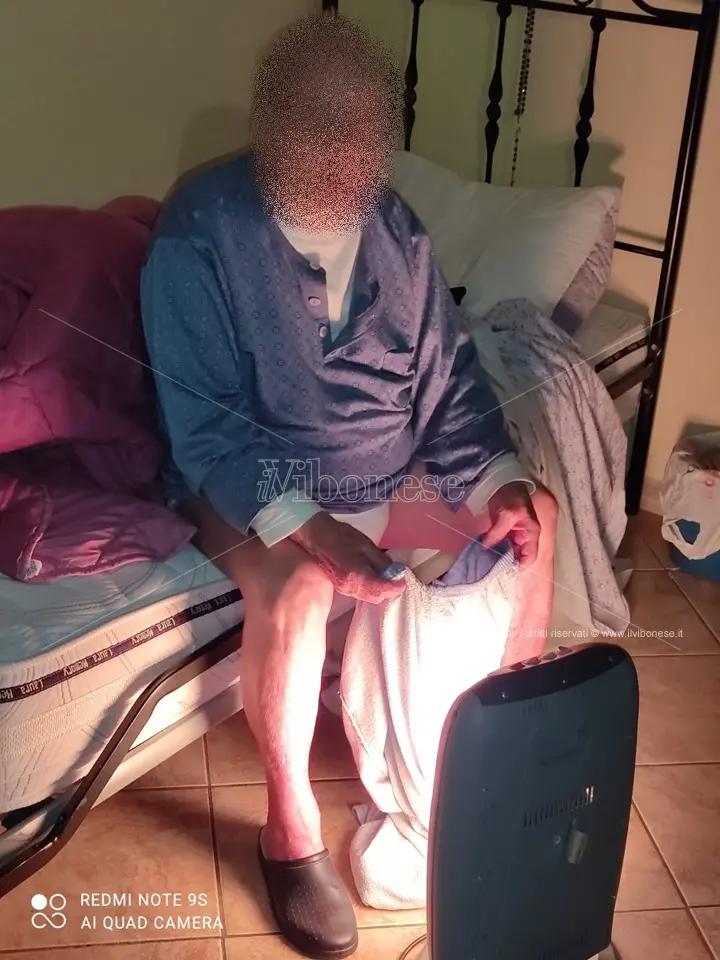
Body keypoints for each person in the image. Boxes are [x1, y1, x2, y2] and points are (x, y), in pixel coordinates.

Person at [141, 13, 557, 959]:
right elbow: (204, 430)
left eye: (363, 136)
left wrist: (500, 481)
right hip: (244, 482)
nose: (343, 158)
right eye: (319, 132)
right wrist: (314, 528)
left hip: (384, 474)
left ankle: (462, 771)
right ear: (272, 126)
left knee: (516, 533)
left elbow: (450, 387)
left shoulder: (398, 233)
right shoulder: (199, 232)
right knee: (297, 589)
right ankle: (288, 833)